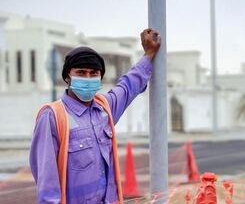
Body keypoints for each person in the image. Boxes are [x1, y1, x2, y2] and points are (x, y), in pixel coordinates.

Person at [29, 28, 161, 204]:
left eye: (94, 73)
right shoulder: (52, 116)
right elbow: (47, 184)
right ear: (67, 77)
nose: (88, 78)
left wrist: (149, 54)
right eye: (81, 73)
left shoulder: (104, 109)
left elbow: (128, 85)